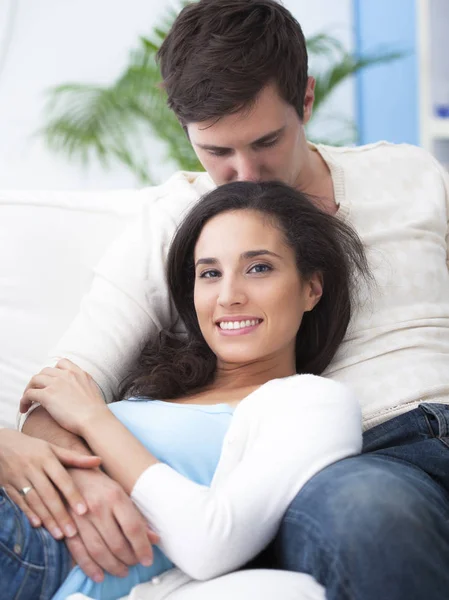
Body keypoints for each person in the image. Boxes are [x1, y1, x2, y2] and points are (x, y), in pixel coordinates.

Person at [1, 0, 449, 598]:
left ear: (307, 100)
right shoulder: (174, 225)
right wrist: (84, 479)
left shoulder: (411, 172)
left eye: (266, 140)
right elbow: (62, 392)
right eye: (216, 152)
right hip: (363, 458)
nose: (246, 174)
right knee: (368, 516)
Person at [0, 181, 365, 599]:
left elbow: (210, 543)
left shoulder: (311, 401)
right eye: (210, 273)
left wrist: (94, 419)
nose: (229, 296)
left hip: (32, 550)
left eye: (259, 268)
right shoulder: (153, 390)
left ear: (311, 288)